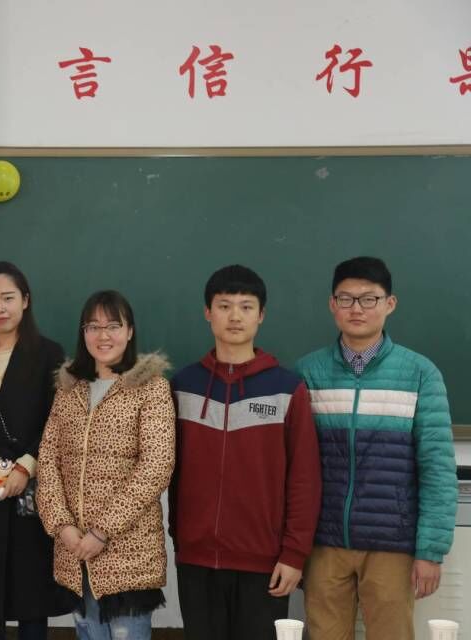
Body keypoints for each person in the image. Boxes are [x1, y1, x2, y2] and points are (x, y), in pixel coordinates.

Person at [296, 256, 457, 640]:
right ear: (332, 304)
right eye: (346, 298)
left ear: (390, 304)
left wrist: (430, 551)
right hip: (324, 543)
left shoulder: (420, 374)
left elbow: (437, 468)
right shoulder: (307, 373)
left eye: (369, 299)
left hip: (392, 544)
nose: (357, 309)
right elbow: (293, 467)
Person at [168, 265, 321, 640]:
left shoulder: (287, 389)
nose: (235, 316)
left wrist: (294, 555)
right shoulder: (183, 386)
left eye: (246, 306)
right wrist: (180, 537)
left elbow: (304, 479)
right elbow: (168, 469)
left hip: (264, 562)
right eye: (224, 306)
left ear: (261, 315)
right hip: (196, 559)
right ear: (208, 312)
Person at [36, 290, 175, 640]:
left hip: (128, 554)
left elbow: (156, 465)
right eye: (93, 326)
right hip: (74, 552)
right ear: (83, 333)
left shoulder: (151, 388)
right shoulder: (69, 390)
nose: (103, 335)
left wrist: (101, 532)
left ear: (130, 331)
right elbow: (48, 461)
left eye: (113, 325)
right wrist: (62, 527)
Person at [0, 261, 75, 639]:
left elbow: (58, 421)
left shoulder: (50, 354)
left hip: (31, 492)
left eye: (7, 298)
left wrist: (25, 467)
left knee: (31, 598)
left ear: (25, 300)